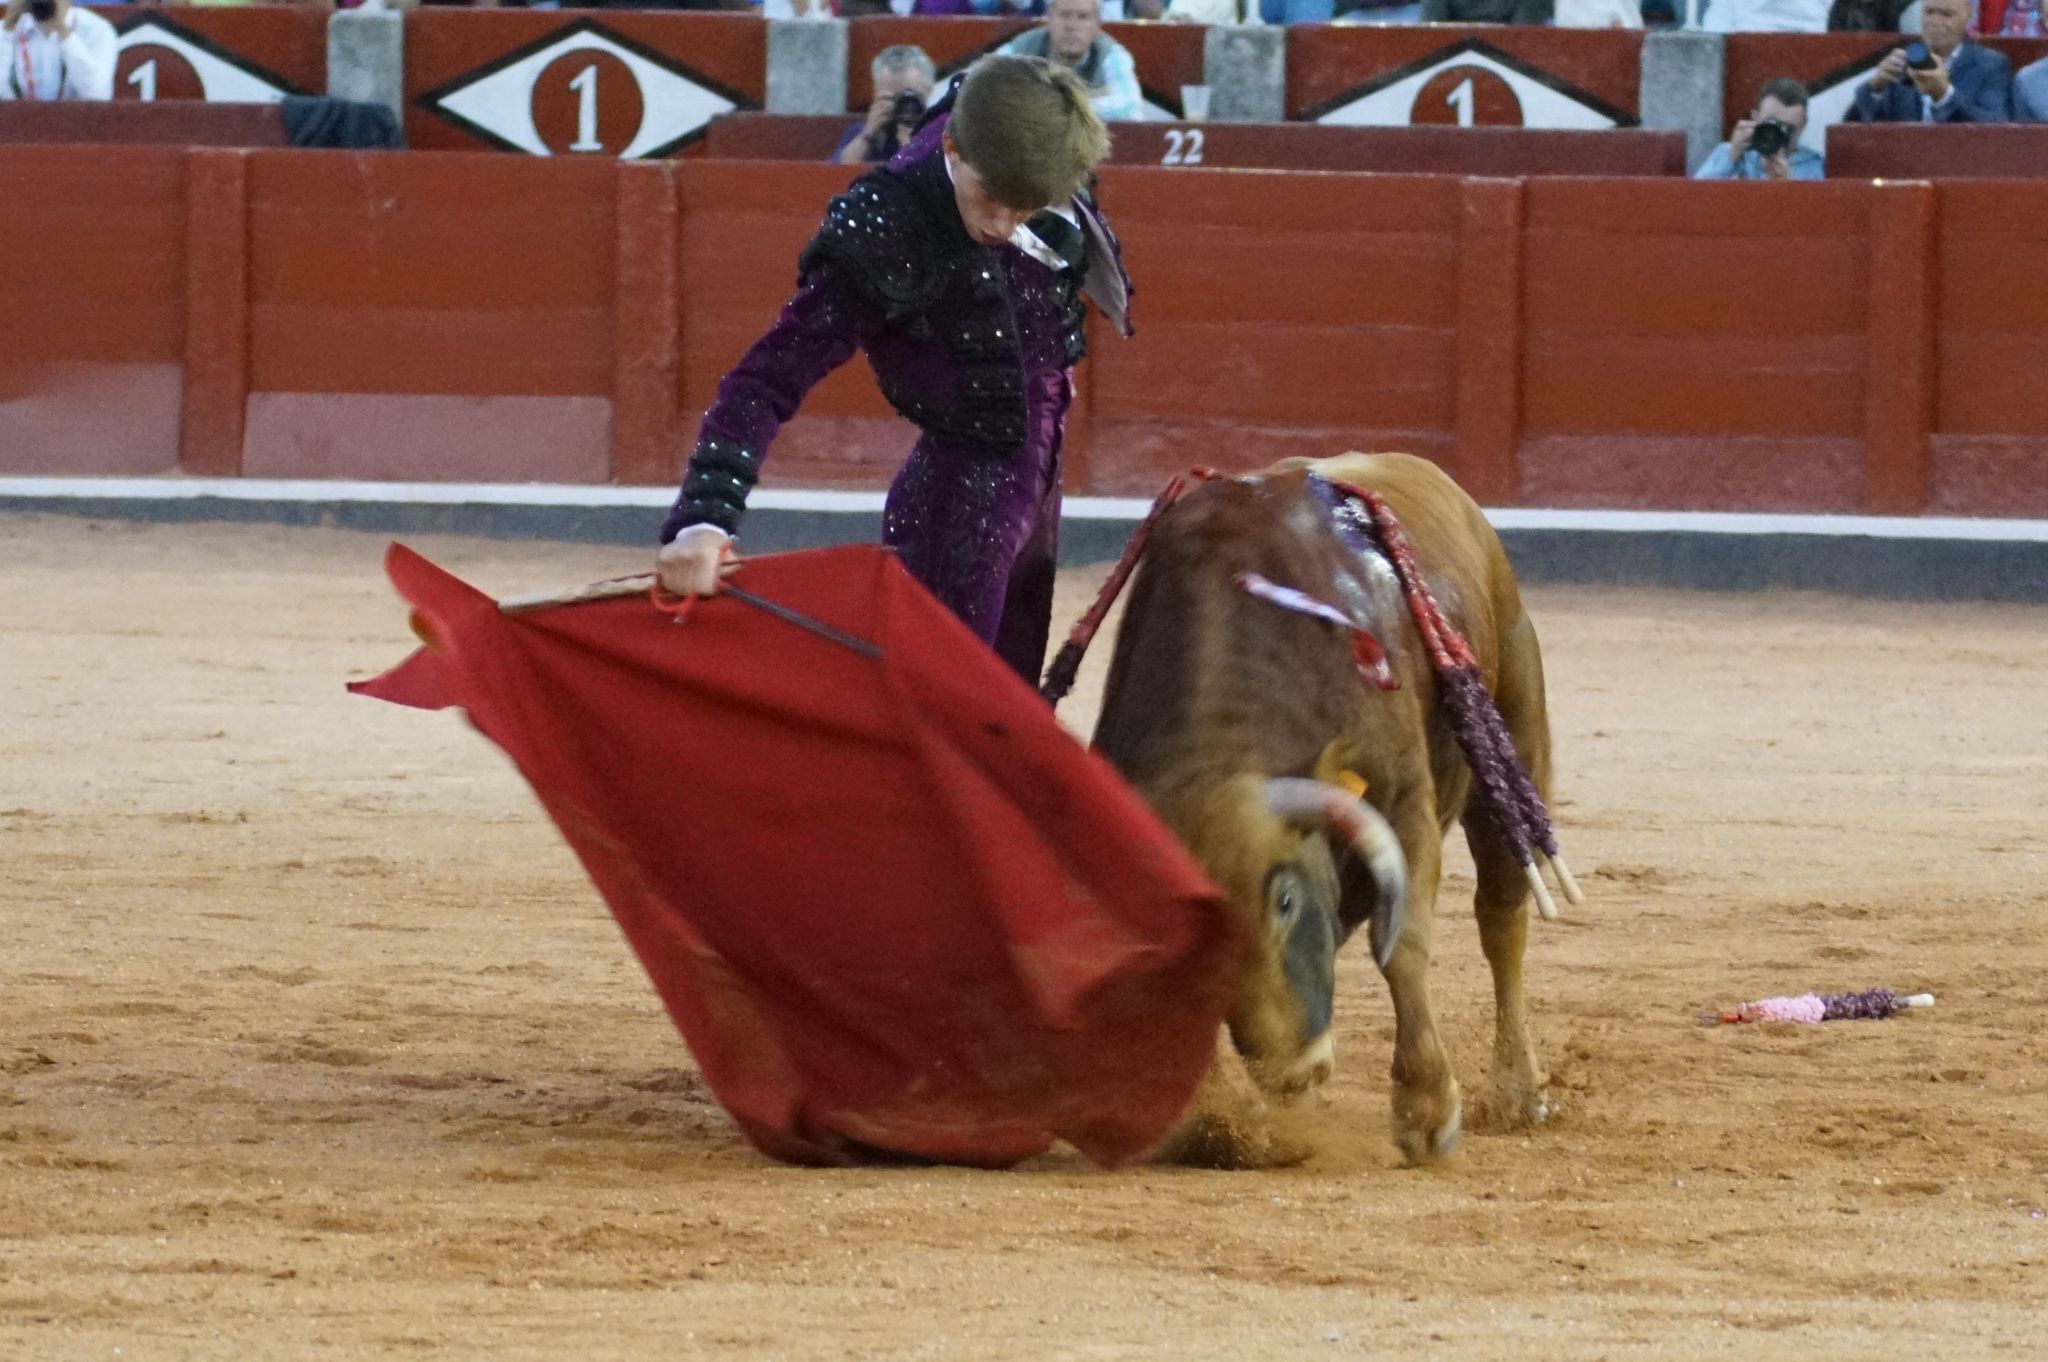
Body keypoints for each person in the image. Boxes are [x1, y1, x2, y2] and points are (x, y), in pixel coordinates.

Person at [654, 56, 1132, 685]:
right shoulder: (890, 224)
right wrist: (703, 515)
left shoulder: (1021, 132)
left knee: (1005, 708)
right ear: (954, 150)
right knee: (947, 720)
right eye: (989, 200)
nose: (1001, 226)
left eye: (1025, 210)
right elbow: (764, 379)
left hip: (1037, 485)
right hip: (961, 511)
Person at [1851, 0, 2011, 122]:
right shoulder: (1902, 60)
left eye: (1947, 14)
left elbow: (1995, 130)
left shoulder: (1991, 65)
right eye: (1929, 12)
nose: (1935, 21)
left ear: (1968, 16)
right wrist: (1876, 87)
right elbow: (1858, 130)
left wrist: (1944, 96)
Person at [1000, 0, 1145, 125]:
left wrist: (1046, 107)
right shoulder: (1021, 47)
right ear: (1048, 19)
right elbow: (984, 89)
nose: (1071, 26)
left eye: (1082, 17)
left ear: (1097, 25)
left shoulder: (1111, 53)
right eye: (1064, 15)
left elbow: (1129, 107)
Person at [1693, 78, 1826, 179]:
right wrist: (1730, 159)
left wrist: (1789, 188)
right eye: (1771, 124)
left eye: (1787, 128)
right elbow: (1694, 197)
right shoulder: (1730, 152)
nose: (1776, 134)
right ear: (1755, 118)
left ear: (1802, 126)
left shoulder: (1813, 167)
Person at [834, 46, 936, 166]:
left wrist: (912, 146)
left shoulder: (940, 134)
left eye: (908, 98)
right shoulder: (858, 133)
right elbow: (834, 174)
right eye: (891, 98)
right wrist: (867, 136)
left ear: (928, 92)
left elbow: (938, 179)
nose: (900, 105)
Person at [0, 0, 114, 102]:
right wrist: (6, 34)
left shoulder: (96, 29)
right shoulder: (7, 31)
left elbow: (97, 95)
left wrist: (64, 33)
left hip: (76, 122)